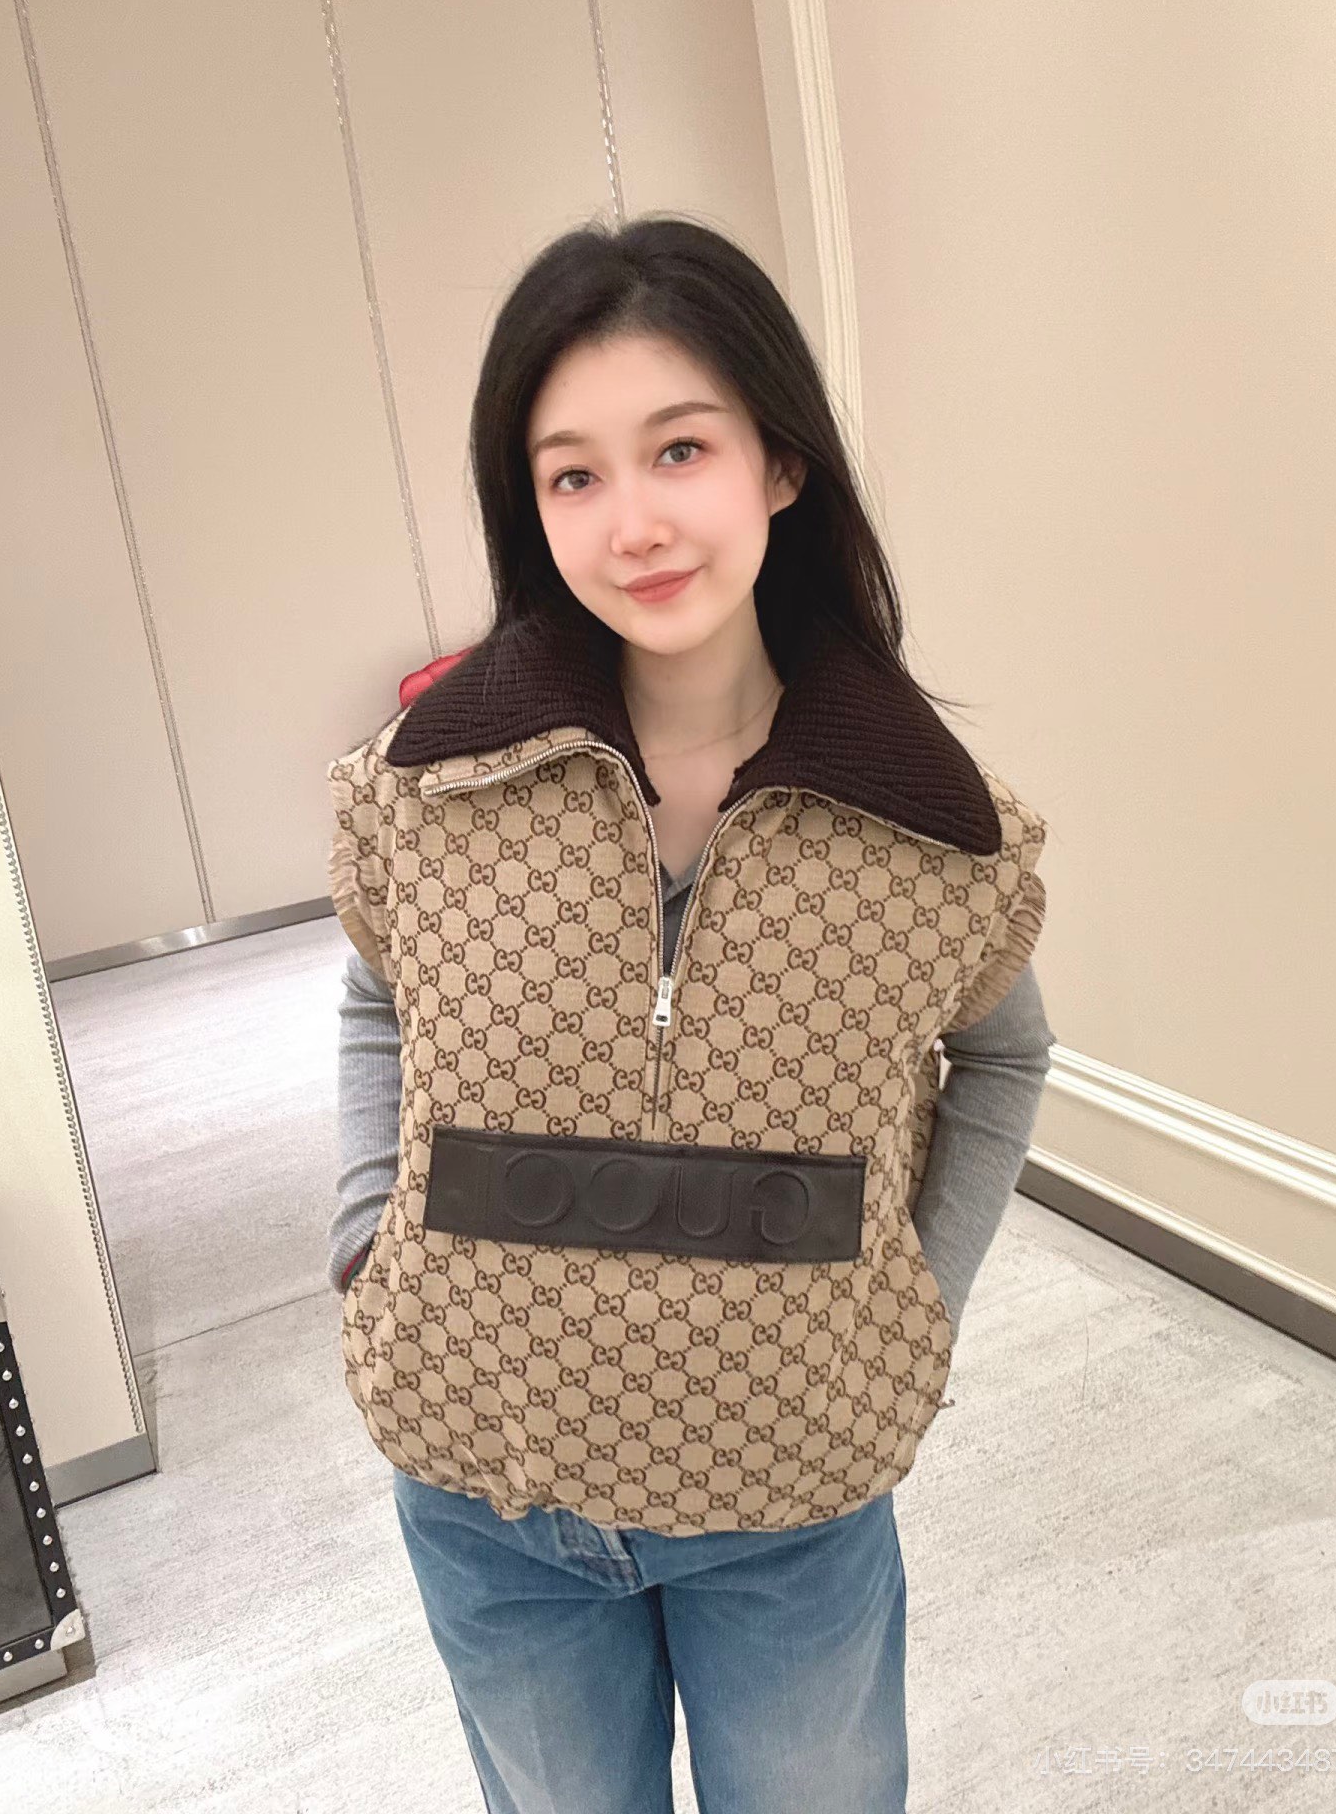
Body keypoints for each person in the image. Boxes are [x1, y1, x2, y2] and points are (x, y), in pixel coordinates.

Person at [325, 215, 1055, 1814]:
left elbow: (1006, 1051)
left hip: (792, 1500)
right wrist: (368, 1234)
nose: (635, 521)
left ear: (779, 463)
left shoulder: (928, 823)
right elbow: (378, 990)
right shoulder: (433, 785)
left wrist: (917, 1302)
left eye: (679, 449)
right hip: (484, 1488)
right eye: (572, 474)